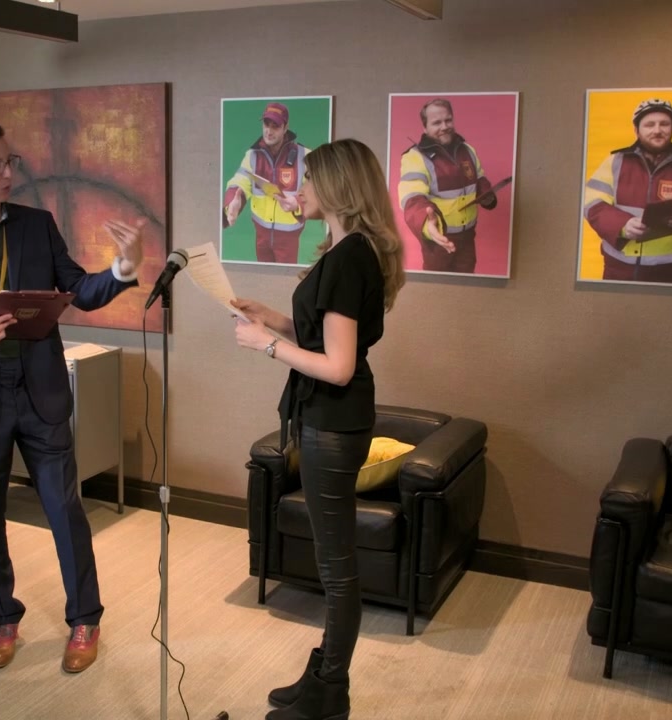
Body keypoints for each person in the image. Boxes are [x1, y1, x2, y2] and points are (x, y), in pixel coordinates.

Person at [0, 121, 144, 674]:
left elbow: (78, 290)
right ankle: (2, 617)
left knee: (65, 510)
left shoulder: (38, 225)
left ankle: (85, 618)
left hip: (41, 389)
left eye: (10, 161)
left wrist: (123, 268)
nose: (8, 172)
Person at [231, 138, 405, 720]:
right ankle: (322, 675)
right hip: (328, 419)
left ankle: (330, 692)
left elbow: (338, 366)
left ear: (334, 187)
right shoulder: (347, 250)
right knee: (334, 564)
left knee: (336, 568)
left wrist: (266, 345)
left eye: (307, 180)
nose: (297, 189)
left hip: (334, 422)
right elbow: (324, 336)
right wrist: (274, 320)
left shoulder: (349, 257)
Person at [583, 98, 672, 283]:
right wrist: (623, 224)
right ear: (636, 130)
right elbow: (592, 202)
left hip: (665, 272)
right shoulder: (614, 162)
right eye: (649, 124)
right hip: (617, 268)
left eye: (664, 124)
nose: (657, 130)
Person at [397, 98, 498, 273]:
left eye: (448, 120)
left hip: (467, 237)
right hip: (438, 240)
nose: (444, 126)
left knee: (467, 285)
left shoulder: (468, 150)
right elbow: (412, 197)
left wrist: (487, 195)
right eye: (436, 123)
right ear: (425, 127)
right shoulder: (414, 157)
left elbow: (479, 178)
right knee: (437, 287)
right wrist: (427, 224)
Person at [224, 101, 310, 264]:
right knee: (263, 276)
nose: (269, 131)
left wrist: (297, 203)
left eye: (275, 126)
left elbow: (320, 189)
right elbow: (240, 181)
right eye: (266, 124)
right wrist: (232, 203)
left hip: (288, 239)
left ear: (285, 128)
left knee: (285, 278)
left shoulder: (304, 156)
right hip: (261, 237)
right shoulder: (252, 155)